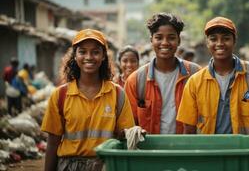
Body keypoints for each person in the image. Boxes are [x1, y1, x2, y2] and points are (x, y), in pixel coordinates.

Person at [41, 29, 135, 171]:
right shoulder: (60, 95)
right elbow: (53, 143)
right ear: (75, 56)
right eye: (82, 51)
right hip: (69, 166)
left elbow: (124, 136)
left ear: (103, 56)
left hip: (105, 165)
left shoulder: (117, 94)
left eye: (95, 52)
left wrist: (132, 132)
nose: (89, 57)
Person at [176, 16, 249, 136]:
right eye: (213, 39)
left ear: (234, 41)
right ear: (207, 42)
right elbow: (189, 130)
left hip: (246, 153)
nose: (220, 44)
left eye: (226, 38)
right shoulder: (195, 82)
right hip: (208, 153)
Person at [124, 12, 201, 134]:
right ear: (151, 40)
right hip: (150, 151)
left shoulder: (196, 74)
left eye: (171, 37)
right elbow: (129, 124)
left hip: (186, 149)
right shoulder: (136, 80)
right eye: (159, 37)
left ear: (179, 40)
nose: (165, 43)